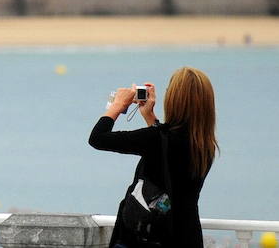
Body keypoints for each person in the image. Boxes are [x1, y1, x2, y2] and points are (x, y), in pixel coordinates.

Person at [88, 66, 219, 248]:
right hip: (186, 236)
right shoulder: (205, 146)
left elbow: (97, 138)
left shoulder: (155, 139)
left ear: (174, 100)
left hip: (148, 236)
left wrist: (117, 105)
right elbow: (170, 154)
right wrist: (150, 118)